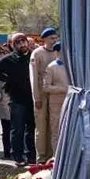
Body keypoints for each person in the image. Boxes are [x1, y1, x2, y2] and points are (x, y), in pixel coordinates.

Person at [0, 32, 37, 166]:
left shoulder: (33, 56)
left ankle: (31, 156)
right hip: (16, 98)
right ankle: (18, 157)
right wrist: (8, 79)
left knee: (31, 128)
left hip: (32, 98)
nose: (22, 44)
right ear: (13, 45)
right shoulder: (9, 59)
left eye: (23, 41)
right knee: (17, 128)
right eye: (18, 42)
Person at [31, 28, 60, 162]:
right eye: (51, 38)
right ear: (44, 39)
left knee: (54, 126)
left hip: (55, 95)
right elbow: (33, 77)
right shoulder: (37, 53)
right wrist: (36, 97)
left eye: (55, 38)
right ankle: (42, 157)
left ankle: (52, 155)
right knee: (41, 127)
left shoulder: (58, 53)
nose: (54, 41)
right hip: (41, 94)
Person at [44, 42, 70, 153]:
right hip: (56, 103)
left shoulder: (72, 65)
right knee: (56, 129)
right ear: (58, 52)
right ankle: (56, 155)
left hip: (70, 101)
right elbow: (46, 87)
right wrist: (62, 89)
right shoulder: (51, 67)